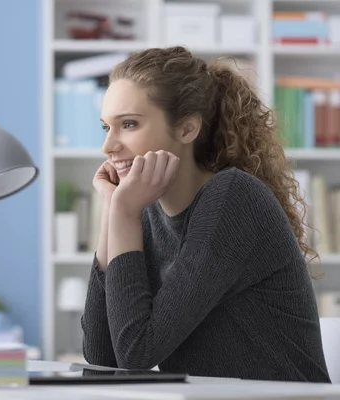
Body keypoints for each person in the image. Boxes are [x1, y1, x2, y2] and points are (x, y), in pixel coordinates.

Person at [81, 46, 331, 383]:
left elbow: (137, 353)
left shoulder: (232, 199)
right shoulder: (143, 213)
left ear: (186, 129)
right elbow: (101, 357)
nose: (108, 146)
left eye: (128, 124)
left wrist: (123, 213)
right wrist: (113, 210)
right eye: (105, 128)